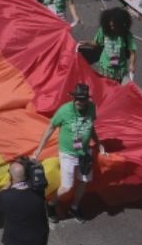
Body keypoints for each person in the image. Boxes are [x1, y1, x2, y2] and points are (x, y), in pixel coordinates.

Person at [32, 83, 103, 223]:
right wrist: (39, 149)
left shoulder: (92, 108)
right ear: (73, 98)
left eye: (82, 99)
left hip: (84, 153)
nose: (79, 101)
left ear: (87, 99)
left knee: (83, 182)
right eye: (77, 98)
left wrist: (99, 143)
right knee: (66, 186)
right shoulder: (64, 111)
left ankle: (74, 207)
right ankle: (51, 204)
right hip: (68, 154)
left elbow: (91, 128)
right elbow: (50, 128)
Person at [83, 7, 138, 83]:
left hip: (119, 70)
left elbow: (132, 52)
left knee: (115, 90)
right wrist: (86, 43)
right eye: (110, 25)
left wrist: (132, 64)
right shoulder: (104, 30)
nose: (111, 28)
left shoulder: (126, 35)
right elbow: (96, 43)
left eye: (114, 26)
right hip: (105, 68)